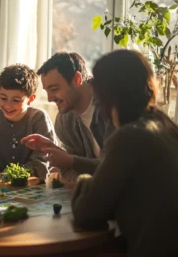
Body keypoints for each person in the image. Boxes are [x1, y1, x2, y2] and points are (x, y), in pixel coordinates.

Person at [70, 49, 178, 256]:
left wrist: (85, 180)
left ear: (108, 96)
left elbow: (87, 213)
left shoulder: (128, 137)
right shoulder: (166, 126)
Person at [21, 52, 115, 181]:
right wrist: (56, 152)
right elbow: (68, 172)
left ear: (77, 79)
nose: (49, 99)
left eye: (54, 89)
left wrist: (70, 161)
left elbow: (115, 167)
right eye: (47, 91)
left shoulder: (112, 108)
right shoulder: (64, 120)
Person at [0, 63, 56, 178]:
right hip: (4, 183)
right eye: (3, 98)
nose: (8, 105)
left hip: (36, 184)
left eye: (16, 100)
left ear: (30, 99)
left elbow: (41, 163)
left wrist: (12, 175)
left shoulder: (39, 119)